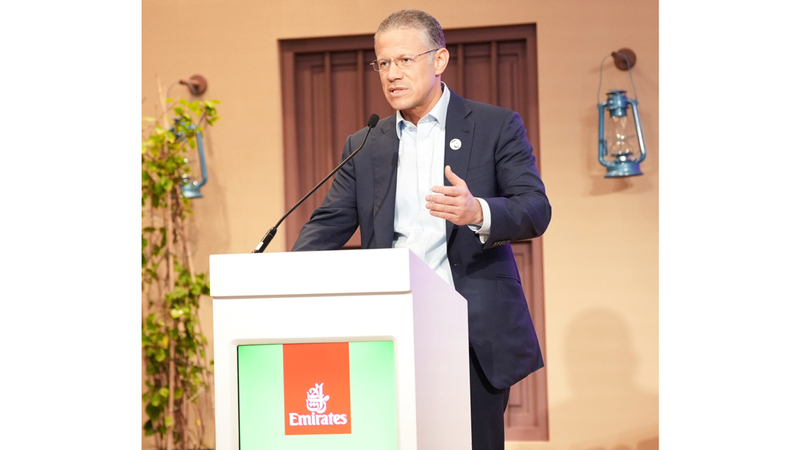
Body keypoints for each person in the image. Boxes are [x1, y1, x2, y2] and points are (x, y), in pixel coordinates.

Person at [292, 9, 551, 449]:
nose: (391, 74)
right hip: (390, 329)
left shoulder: (495, 125)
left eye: (404, 60)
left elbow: (535, 208)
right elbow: (327, 225)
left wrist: (478, 211)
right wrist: (280, 277)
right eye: (383, 63)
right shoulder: (365, 143)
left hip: (471, 330)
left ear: (439, 60)